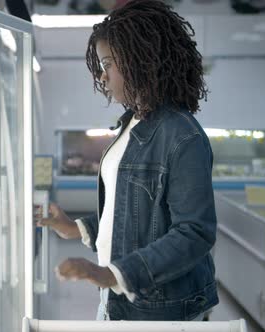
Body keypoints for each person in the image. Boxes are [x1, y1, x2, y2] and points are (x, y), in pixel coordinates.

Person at [36, 0, 218, 321]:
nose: (102, 77)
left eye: (108, 64)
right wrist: (74, 228)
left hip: (159, 310)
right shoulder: (133, 123)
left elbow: (194, 233)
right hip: (118, 300)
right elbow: (133, 211)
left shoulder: (181, 135)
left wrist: (112, 274)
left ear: (141, 62)